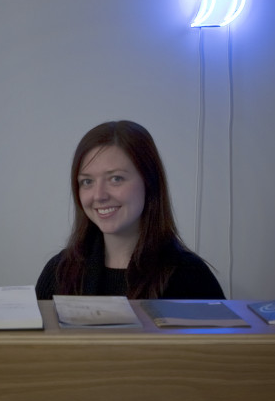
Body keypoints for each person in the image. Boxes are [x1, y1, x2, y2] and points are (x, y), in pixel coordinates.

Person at [35, 120, 224, 300]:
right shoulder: (58, 273)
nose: (99, 195)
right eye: (87, 181)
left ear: (149, 182)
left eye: (116, 179)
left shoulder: (190, 276)